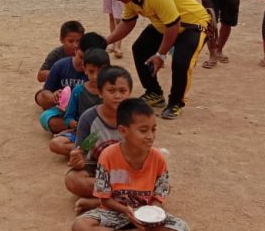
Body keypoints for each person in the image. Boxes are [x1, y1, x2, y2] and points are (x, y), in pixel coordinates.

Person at [105, 0, 210, 120]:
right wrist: (105, 41)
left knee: (181, 63)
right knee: (140, 49)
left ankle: (176, 103)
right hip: (166, 23)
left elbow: (173, 26)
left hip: (192, 25)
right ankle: (154, 92)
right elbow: (127, 23)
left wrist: (160, 54)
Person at [72, 98, 188, 231]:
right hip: (115, 212)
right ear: (123, 131)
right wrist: (126, 210)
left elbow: (159, 197)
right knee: (80, 225)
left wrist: (150, 215)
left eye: (153, 129)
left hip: (147, 215)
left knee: (181, 227)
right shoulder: (107, 156)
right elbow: (105, 199)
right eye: (143, 130)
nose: (150, 136)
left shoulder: (158, 159)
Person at [65, 66, 132, 214]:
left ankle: (100, 201)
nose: (117, 96)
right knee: (72, 180)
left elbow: (144, 152)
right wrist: (77, 161)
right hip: (96, 167)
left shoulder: (135, 117)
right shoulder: (89, 118)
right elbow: (81, 151)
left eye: (122, 91)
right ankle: (123, 199)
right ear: (100, 93)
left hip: (128, 170)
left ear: (130, 93)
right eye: (111, 90)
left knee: (160, 184)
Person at [48, 48, 109, 156]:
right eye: (91, 71)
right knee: (55, 144)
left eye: (100, 71)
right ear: (84, 69)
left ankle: (85, 152)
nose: (95, 76)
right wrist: (78, 126)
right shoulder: (78, 91)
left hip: (105, 133)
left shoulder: (110, 91)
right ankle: (91, 152)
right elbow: (68, 118)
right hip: (82, 132)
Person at [35, 32, 107, 111]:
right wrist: (54, 97)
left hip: (86, 109)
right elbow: (47, 90)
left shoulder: (101, 72)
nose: (83, 63)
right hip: (62, 106)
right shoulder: (60, 65)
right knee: (41, 97)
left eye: (89, 61)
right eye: (81, 57)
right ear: (76, 50)